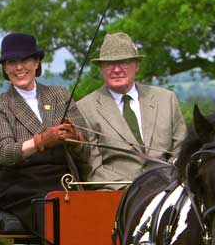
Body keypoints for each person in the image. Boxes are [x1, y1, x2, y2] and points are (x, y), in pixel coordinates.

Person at [0, 32, 89, 234]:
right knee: (53, 213)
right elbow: (4, 153)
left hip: (64, 181)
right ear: (5, 68)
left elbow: (87, 151)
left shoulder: (60, 95)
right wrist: (42, 141)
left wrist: (75, 139)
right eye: (12, 62)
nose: (19, 67)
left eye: (25, 60)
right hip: (23, 185)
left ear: (36, 63)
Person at [76, 32, 187, 188]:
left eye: (124, 62)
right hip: (117, 196)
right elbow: (91, 167)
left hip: (168, 191)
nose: (116, 69)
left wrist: (168, 183)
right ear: (101, 68)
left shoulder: (166, 99)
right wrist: (132, 191)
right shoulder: (84, 108)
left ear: (137, 65)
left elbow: (181, 149)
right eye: (109, 64)